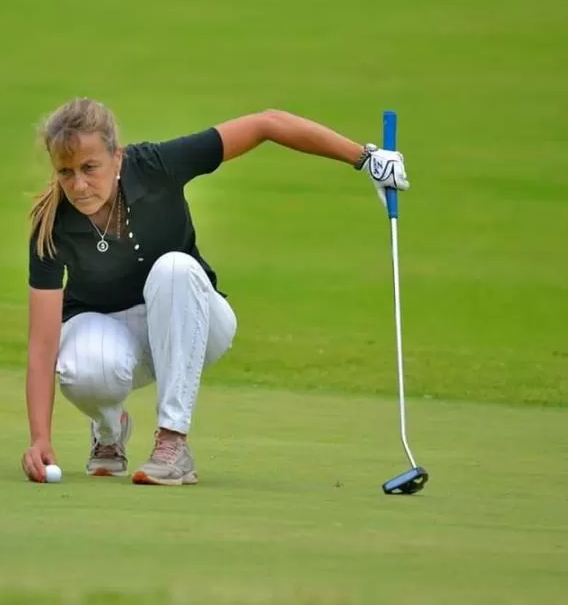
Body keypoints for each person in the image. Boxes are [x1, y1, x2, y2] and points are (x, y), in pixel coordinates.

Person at [21, 98, 409, 486]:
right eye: (65, 172)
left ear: (117, 158)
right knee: (82, 369)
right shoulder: (51, 224)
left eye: (90, 168)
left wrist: (365, 158)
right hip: (114, 336)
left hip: (195, 322)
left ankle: (172, 443)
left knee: (174, 268)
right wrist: (40, 438)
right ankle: (108, 431)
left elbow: (267, 124)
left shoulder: (156, 166)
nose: (79, 184)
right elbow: (42, 344)